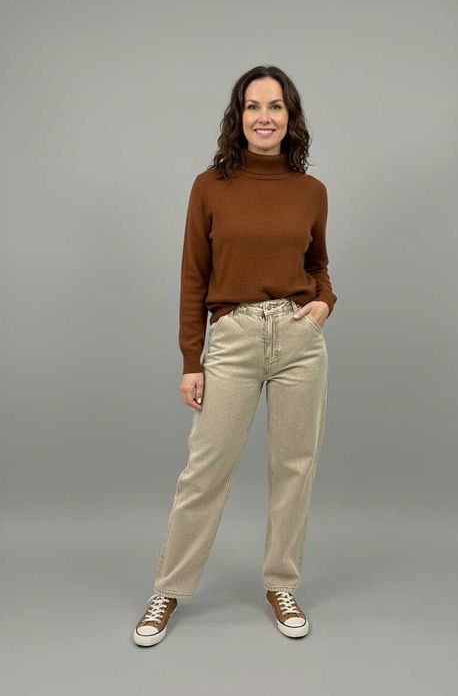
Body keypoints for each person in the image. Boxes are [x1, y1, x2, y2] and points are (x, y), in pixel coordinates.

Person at [133, 64, 337, 647]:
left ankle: (281, 583)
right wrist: (190, 359)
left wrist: (324, 304)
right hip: (234, 337)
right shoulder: (210, 186)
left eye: (275, 107)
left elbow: (318, 265)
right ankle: (169, 589)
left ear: (290, 117)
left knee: (294, 468)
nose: (264, 117)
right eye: (253, 106)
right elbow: (193, 276)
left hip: (298, 340)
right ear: (238, 116)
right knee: (205, 471)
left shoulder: (311, 192)